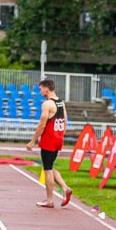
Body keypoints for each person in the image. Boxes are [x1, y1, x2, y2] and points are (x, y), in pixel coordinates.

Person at [27, 78, 72, 208]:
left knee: (47, 170)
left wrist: (32, 141)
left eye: (40, 89)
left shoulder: (47, 104)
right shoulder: (61, 103)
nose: (40, 92)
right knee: (50, 166)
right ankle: (65, 188)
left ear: (46, 89)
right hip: (57, 139)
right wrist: (60, 136)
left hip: (49, 140)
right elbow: (65, 122)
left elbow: (42, 124)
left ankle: (49, 200)